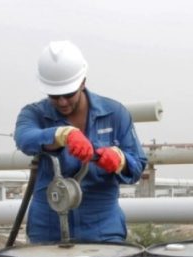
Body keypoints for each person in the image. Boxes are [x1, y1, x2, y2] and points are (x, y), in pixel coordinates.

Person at [14, 40, 147, 243]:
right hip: (48, 228)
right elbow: (24, 138)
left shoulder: (115, 114)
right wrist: (62, 135)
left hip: (102, 228)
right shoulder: (34, 114)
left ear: (83, 82)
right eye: (54, 96)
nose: (62, 102)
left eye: (68, 94)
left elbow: (137, 165)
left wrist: (121, 161)